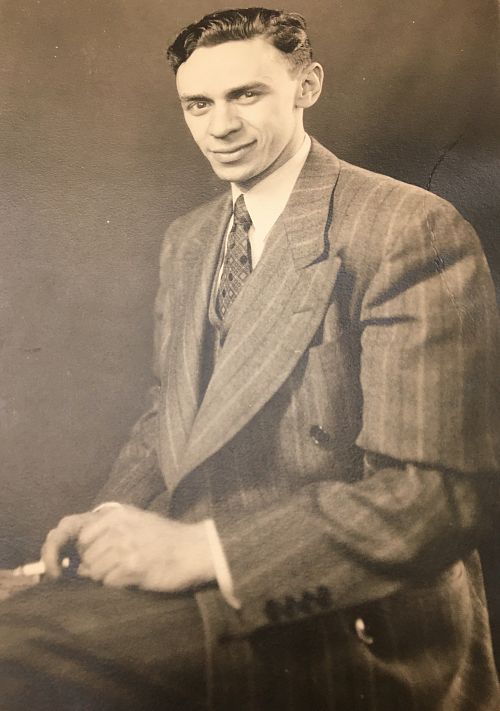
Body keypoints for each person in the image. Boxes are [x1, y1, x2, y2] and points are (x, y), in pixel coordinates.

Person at [1, 7, 499, 710]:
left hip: (347, 610)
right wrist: (112, 515)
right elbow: (170, 414)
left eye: (246, 95)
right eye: (198, 104)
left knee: (17, 657)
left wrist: (204, 552)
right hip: (192, 575)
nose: (221, 126)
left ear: (307, 86)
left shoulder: (406, 227)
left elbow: (434, 497)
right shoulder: (189, 240)